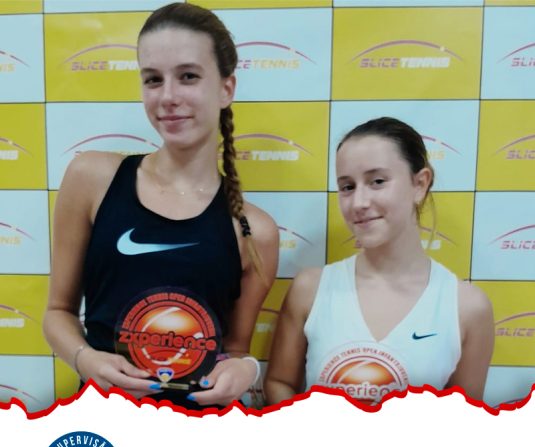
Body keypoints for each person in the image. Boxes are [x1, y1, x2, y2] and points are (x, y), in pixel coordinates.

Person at [43, 3, 279, 409]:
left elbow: (236, 350)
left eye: (188, 76)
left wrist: (247, 369)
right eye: (153, 79)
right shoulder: (91, 178)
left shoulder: (254, 230)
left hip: (198, 434)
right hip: (105, 428)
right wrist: (85, 359)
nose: (168, 96)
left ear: (226, 88)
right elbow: (57, 312)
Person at [265, 117, 494, 406]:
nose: (359, 202)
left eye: (377, 182)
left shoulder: (468, 307)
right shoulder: (310, 288)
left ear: (419, 184)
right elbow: (280, 383)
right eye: (347, 186)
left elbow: (464, 416)